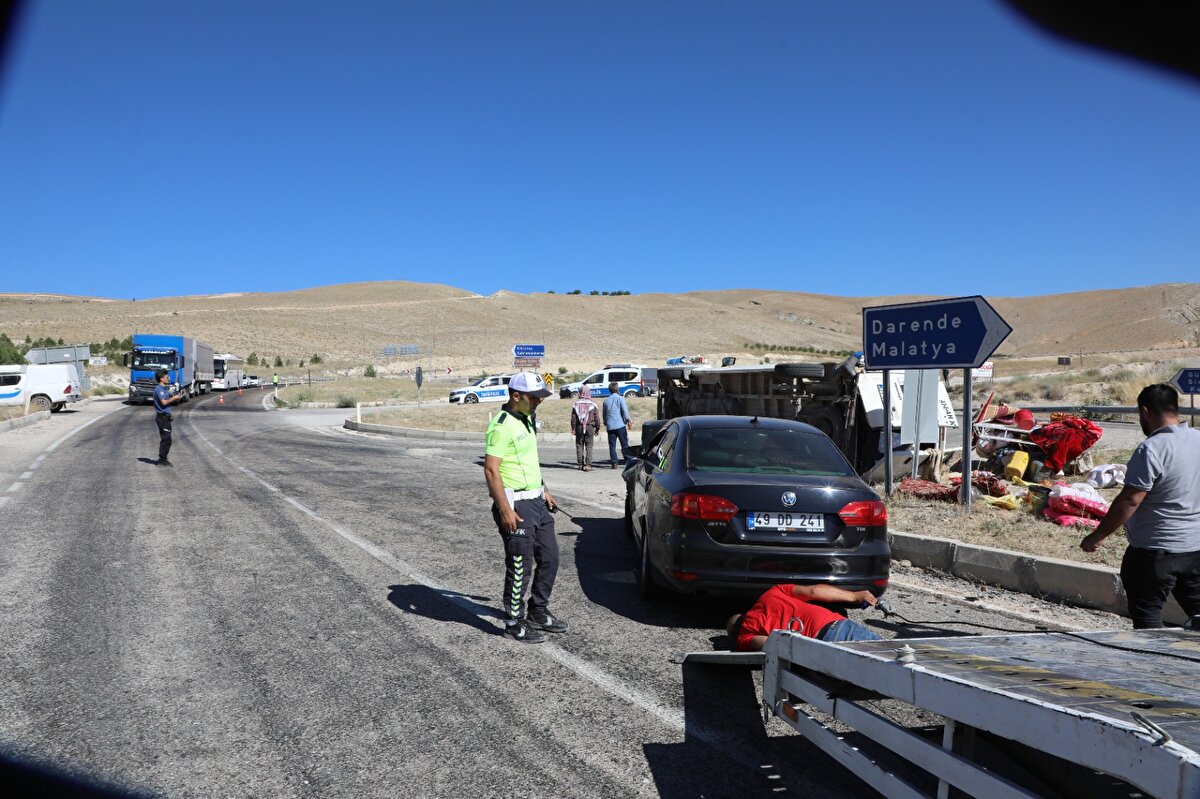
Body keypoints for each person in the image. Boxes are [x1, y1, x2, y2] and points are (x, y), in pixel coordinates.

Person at [1081, 384, 1200, 628]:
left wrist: (1099, 535)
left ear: (1145, 412)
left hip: (1154, 552)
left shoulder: (1151, 448)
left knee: (1148, 619)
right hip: (1195, 549)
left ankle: (1152, 663)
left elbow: (1130, 499)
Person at [483, 371, 569, 643]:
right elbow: (491, 470)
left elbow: (528, 462)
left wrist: (545, 490)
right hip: (516, 504)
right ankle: (513, 621)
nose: (539, 402)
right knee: (521, 564)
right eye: (534, 397)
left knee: (551, 557)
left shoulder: (526, 419)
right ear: (516, 396)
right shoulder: (502, 425)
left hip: (537, 502)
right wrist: (506, 509)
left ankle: (537, 611)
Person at [727, 583, 881, 651]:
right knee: (893, 656)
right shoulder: (771, 593)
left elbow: (772, 643)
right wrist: (854, 596)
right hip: (836, 625)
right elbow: (813, 591)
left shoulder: (744, 635)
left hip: (818, 645)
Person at [151, 369, 184, 466]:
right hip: (162, 418)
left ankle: (163, 458)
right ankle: (162, 460)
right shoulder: (159, 390)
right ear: (161, 378)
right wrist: (174, 398)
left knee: (167, 439)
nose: (168, 378)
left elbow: (166, 404)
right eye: (166, 377)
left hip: (165, 417)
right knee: (166, 439)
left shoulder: (163, 389)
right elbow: (164, 402)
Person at [602, 382, 633, 469]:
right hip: (620, 425)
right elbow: (624, 410)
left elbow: (604, 414)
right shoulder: (620, 398)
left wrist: (605, 422)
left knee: (612, 445)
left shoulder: (606, 401)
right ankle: (628, 461)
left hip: (610, 426)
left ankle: (614, 463)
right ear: (617, 390)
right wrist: (628, 421)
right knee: (624, 444)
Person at [570, 385, 600, 471]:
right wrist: (597, 428)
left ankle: (580, 464)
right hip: (590, 427)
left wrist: (573, 428)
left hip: (579, 426)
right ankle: (588, 465)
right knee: (589, 445)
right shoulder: (593, 404)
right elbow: (596, 418)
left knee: (579, 445)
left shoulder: (576, 404)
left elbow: (573, 418)